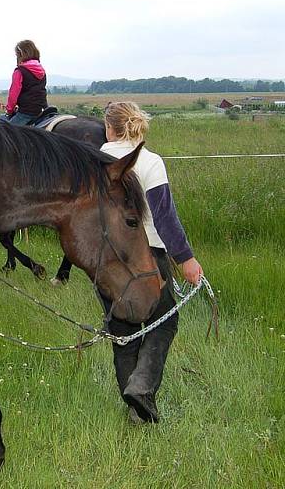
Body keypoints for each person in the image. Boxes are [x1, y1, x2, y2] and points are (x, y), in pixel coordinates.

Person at [100, 101, 204, 423]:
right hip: (150, 258)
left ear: (110, 128)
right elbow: (164, 217)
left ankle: (134, 405)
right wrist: (185, 258)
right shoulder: (150, 162)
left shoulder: (93, 161)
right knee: (163, 321)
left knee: (122, 330)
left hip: (107, 261)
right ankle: (142, 388)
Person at [1, 39, 47, 125]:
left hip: (27, 112)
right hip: (43, 109)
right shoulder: (41, 70)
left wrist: (9, 110)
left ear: (21, 54)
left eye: (16, 55)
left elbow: (13, 95)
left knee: (7, 133)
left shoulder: (19, 71)